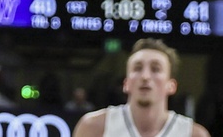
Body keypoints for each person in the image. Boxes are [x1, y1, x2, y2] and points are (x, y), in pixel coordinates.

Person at [72, 38, 211, 137]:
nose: (145, 76)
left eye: (155, 69)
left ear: (171, 86)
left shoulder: (193, 134)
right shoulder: (93, 127)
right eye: (138, 68)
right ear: (126, 84)